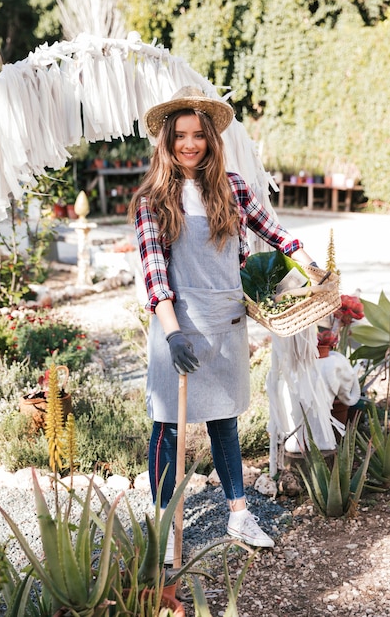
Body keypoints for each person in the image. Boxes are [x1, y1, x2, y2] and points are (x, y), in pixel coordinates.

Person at [128, 86, 315, 559]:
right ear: (167, 141)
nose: (190, 144)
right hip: (180, 323)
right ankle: (164, 525)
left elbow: (272, 232)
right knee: (167, 427)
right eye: (180, 136)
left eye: (199, 136)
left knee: (225, 422)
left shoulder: (231, 187)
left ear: (211, 138)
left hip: (226, 320)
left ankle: (238, 515)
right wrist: (171, 334)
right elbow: (155, 274)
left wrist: (313, 267)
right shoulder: (151, 198)